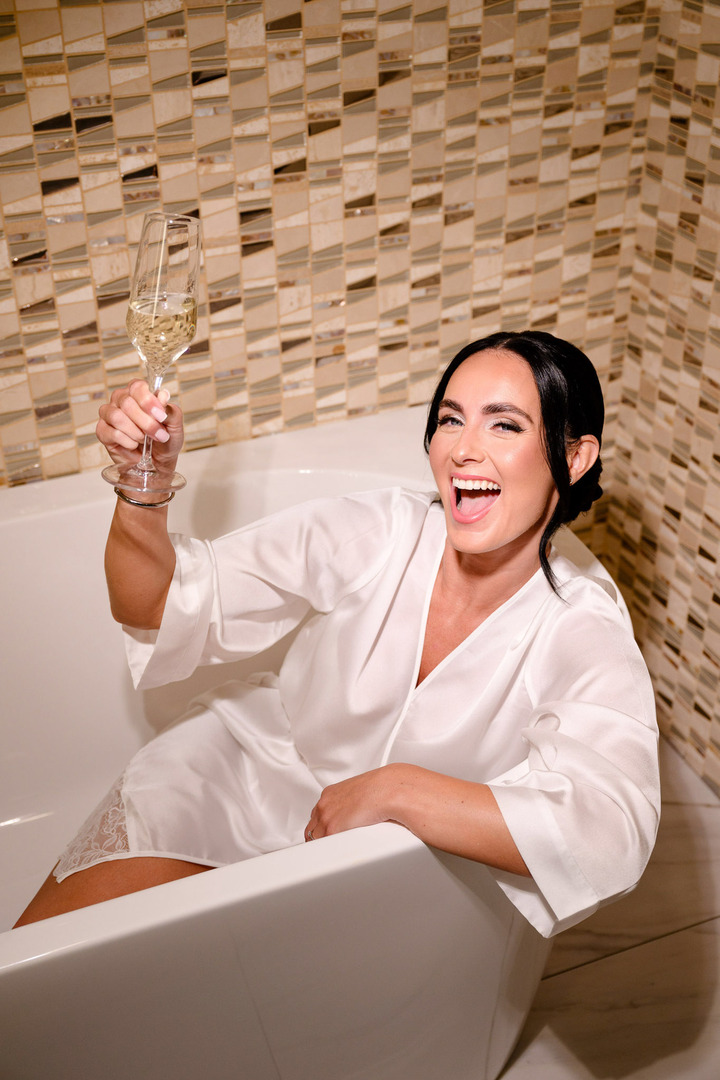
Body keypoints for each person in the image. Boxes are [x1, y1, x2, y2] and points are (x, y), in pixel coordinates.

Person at [15, 330, 660, 935]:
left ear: (574, 458)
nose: (465, 448)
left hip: (403, 862)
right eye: (449, 419)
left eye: (505, 424)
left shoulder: (580, 622)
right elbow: (153, 604)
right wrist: (141, 482)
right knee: (40, 968)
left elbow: (612, 830)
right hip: (246, 776)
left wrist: (397, 789)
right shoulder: (379, 531)